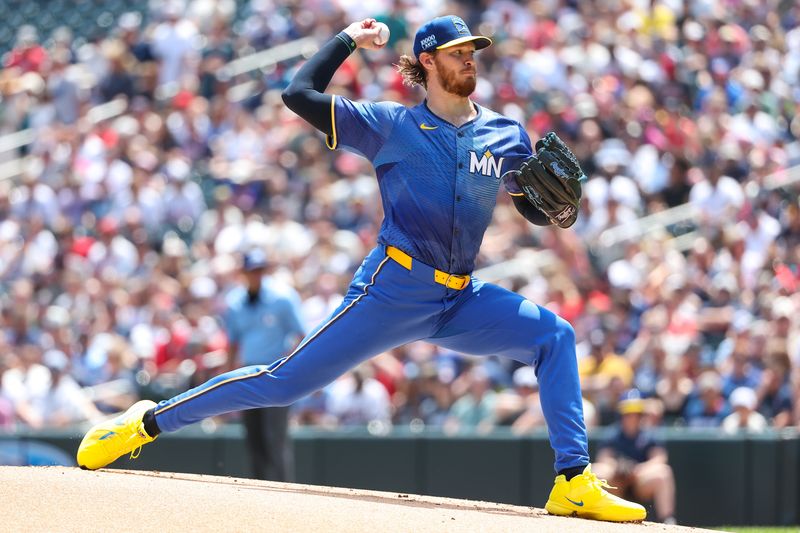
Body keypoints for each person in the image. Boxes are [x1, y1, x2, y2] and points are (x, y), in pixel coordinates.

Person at [77, 16, 645, 522]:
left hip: (460, 299)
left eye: (474, 50)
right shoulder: (388, 125)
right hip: (392, 290)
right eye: (458, 51)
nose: (471, 58)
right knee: (283, 383)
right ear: (428, 60)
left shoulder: (506, 134)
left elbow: (530, 202)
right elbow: (296, 93)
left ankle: (573, 481)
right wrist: (350, 38)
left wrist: (552, 208)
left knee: (555, 335)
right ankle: (145, 423)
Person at [221, 249, 306, 481]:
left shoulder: (283, 297)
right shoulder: (235, 302)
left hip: (276, 373)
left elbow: (302, 334)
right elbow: (233, 342)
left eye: (260, 270)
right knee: (254, 438)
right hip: (248, 375)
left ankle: (284, 492)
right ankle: (259, 496)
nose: (256, 275)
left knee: (275, 438)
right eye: (252, 271)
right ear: (244, 273)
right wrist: (228, 377)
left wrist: (295, 366)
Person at [592, 390, 676, 524]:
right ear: (622, 414)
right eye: (628, 413)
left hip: (640, 481)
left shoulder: (649, 434)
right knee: (596, 471)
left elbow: (660, 458)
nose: (632, 417)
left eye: (635, 413)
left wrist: (637, 469)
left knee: (664, 472)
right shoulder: (612, 433)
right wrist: (617, 467)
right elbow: (603, 458)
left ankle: (667, 521)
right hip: (617, 482)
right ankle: (596, 517)